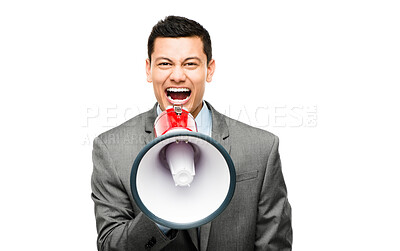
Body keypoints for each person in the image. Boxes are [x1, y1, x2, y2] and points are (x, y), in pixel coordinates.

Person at [91, 15, 292, 251]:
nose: (177, 75)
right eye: (165, 63)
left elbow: (274, 245)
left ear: (209, 69)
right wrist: (161, 212)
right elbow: (110, 246)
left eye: (190, 64)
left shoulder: (261, 147)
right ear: (149, 70)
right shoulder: (112, 150)